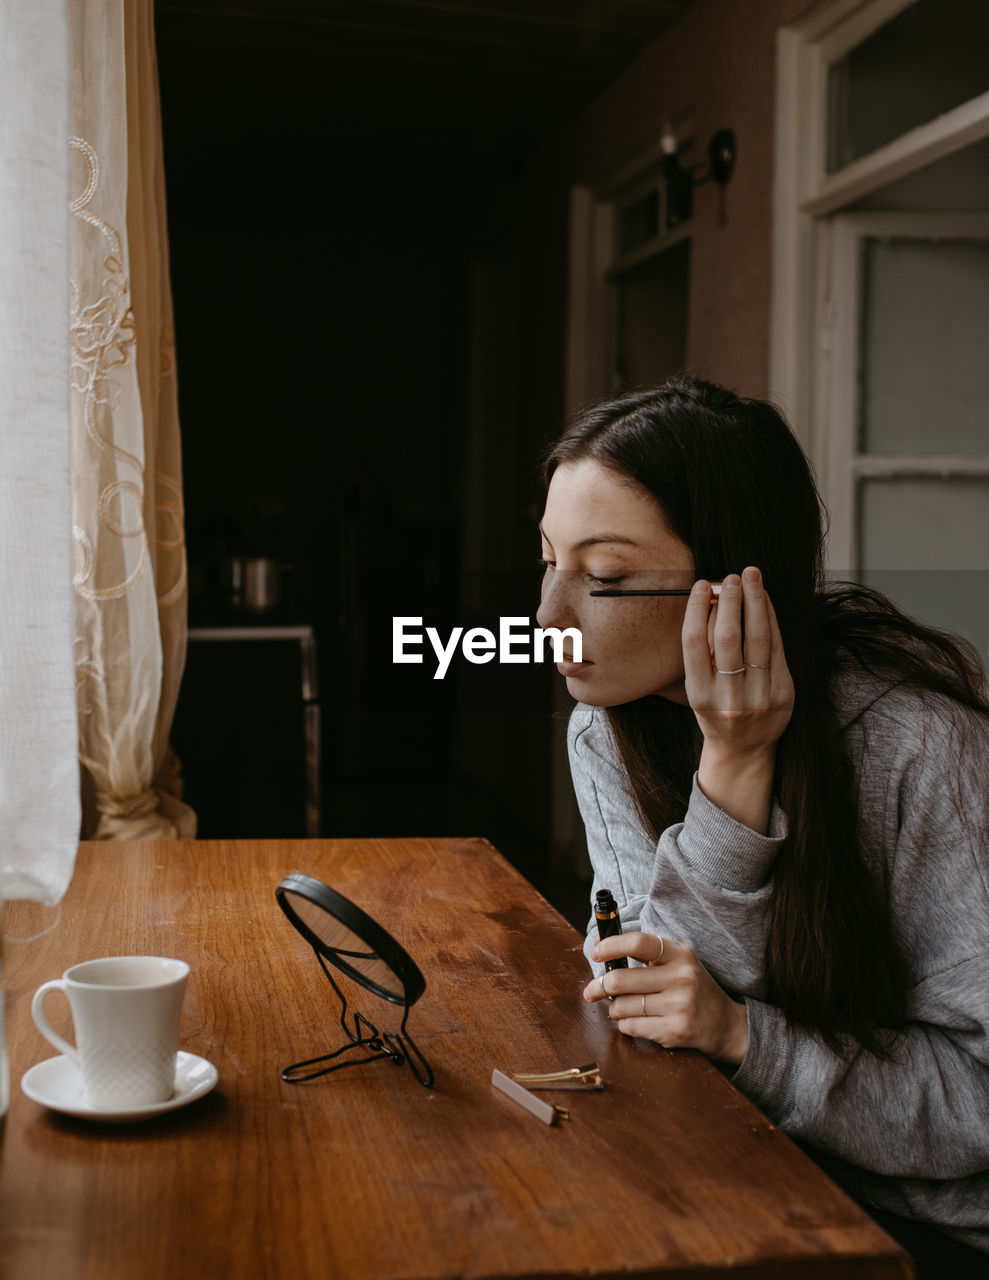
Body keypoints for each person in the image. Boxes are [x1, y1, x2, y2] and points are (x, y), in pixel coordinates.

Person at [534, 376, 989, 1274]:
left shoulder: (925, 751)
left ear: (732, 588)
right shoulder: (603, 726)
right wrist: (731, 769)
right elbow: (650, 996)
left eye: (607, 578)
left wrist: (745, 1037)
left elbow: (978, 1105)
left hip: (928, 1230)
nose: (547, 619)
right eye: (547, 560)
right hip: (750, 1165)